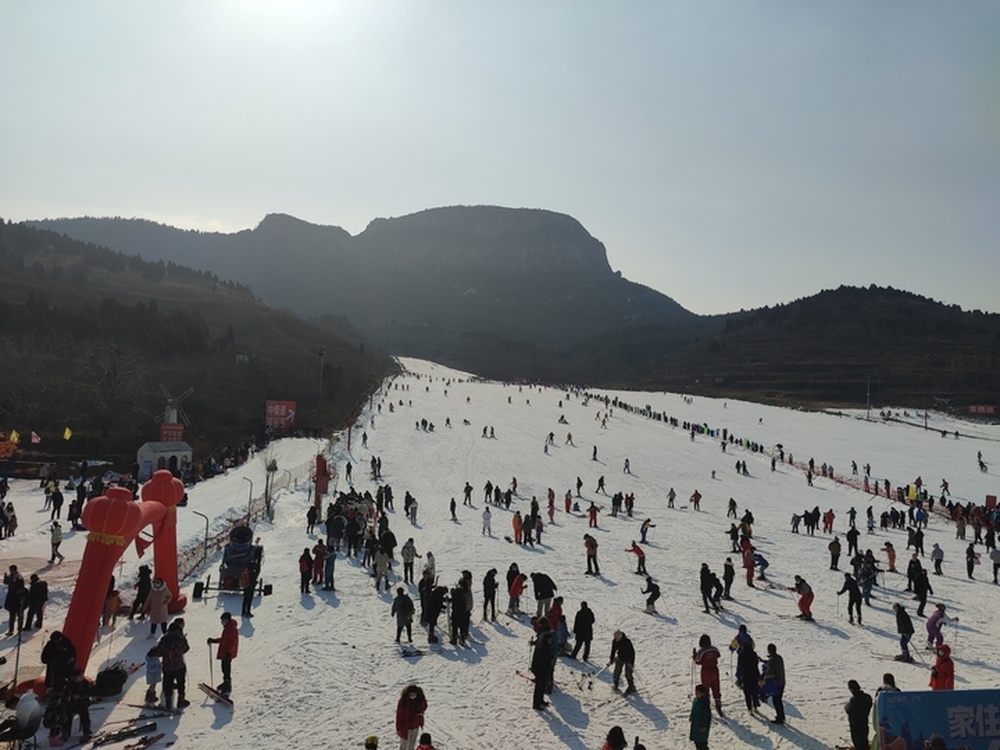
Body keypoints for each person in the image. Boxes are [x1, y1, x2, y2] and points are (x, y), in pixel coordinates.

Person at [152, 620, 190, 709]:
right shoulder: (180, 639)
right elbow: (186, 649)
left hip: (167, 666)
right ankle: (181, 700)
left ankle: (168, 702)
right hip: (178, 665)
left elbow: (159, 652)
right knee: (181, 683)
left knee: (167, 684)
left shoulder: (164, 640)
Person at [207, 611, 239, 695]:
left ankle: (228, 685)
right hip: (225, 652)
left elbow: (233, 642)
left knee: (226, 669)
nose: (222, 622)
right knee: (224, 668)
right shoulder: (227, 628)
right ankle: (225, 682)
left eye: (224, 620)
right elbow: (224, 639)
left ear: (228, 620)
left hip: (228, 653)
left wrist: (229, 652)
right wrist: (214, 640)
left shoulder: (232, 629)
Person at [530, 619, 557, 709]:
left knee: (541, 687)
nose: (550, 641)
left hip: (540, 669)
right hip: (540, 670)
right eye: (549, 640)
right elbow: (543, 660)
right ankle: (536, 704)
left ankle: (541, 700)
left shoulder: (543, 645)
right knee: (539, 687)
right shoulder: (543, 647)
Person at [692, 634, 723, 715]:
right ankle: (718, 702)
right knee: (716, 687)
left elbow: (698, 661)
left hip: (706, 671)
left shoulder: (702, 651)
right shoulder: (714, 649)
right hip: (715, 670)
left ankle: (706, 706)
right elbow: (718, 655)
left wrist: (694, 656)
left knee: (705, 688)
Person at [395, 684, 427, 750]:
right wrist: (398, 728)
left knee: (411, 745)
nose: (412, 696)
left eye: (414, 695)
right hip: (405, 727)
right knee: (404, 745)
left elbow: (425, 706)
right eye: (411, 695)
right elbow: (399, 715)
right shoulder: (403, 701)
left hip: (415, 726)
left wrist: (421, 710)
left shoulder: (420, 699)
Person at [845, 679, 873, 750]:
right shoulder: (867, 697)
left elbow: (848, 710)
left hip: (855, 726)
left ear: (851, 689)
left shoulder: (854, 700)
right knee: (864, 742)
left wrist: (846, 706)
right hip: (864, 723)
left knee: (858, 745)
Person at [608, 629, 636, 694]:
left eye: (617, 638)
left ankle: (631, 687)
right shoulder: (615, 641)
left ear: (620, 637)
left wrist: (631, 663)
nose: (615, 639)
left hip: (628, 659)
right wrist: (611, 659)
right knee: (616, 672)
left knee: (628, 674)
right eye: (615, 637)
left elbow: (632, 653)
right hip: (620, 658)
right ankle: (616, 685)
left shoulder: (627, 642)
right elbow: (613, 650)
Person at [764, 643, 785, 724]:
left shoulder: (772, 660)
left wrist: (765, 675)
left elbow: (770, 672)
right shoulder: (779, 657)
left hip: (776, 683)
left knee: (776, 701)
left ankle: (780, 718)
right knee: (779, 700)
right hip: (782, 681)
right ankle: (781, 715)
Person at [689, 686, 712, 750]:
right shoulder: (696, 700)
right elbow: (693, 709)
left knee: (702, 743)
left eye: (697, 692)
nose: (696, 693)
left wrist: (704, 725)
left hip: (701, 726)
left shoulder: (704, 703)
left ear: (702, 693)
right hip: (696, 724)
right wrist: (691, 716)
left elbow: (707, 716)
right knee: (697, 741)